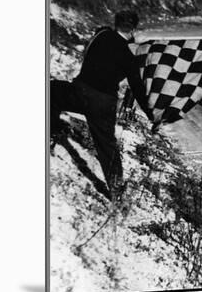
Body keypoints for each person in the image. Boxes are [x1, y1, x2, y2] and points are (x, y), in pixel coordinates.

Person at [50, 11, 152, 197]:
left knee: (51, 91)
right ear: (134, 30)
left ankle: (52, 133)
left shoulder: (101, 35)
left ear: (115, 24)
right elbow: (137, 87)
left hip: (80, 93)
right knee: (107, 146)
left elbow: (102, 36)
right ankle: (116, 190)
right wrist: (152, 114)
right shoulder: (128, 55)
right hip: (103, 103)